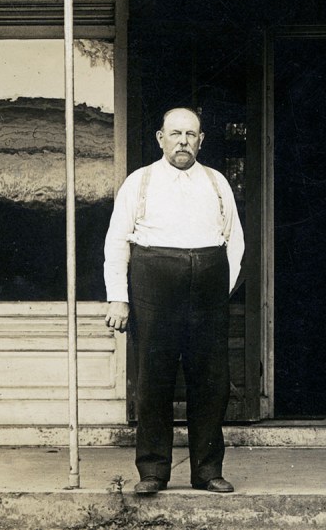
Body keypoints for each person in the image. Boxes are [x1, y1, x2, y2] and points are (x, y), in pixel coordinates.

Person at [103, 107, 245, 495]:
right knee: (154, 380)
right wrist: (118, 298)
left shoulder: (217, 182)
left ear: (201, 141)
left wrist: (219, 291)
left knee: (211, 381)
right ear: (160, 138)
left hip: (207, 290)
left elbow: (234, 242)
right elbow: (117, 241)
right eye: (176, 134)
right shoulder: (140, 182)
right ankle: (153, 471)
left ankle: (207, 471)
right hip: (153, 287)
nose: (183, 141)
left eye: (191, 134)